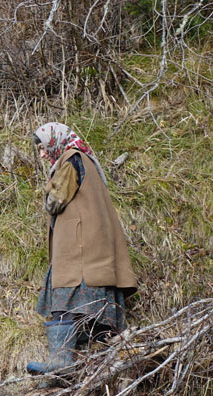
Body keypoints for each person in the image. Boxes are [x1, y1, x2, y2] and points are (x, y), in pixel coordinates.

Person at [26, 122, 137, 375]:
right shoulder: (83, 158)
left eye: (44, 148)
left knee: (67, 297)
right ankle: (81, 358)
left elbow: (55, 201)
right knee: (82, 301)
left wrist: (47, 189)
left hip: (80, 249)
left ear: (55, 142)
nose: (42, 155)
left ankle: (62, 362)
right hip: (89, 246)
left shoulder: (70, 159)